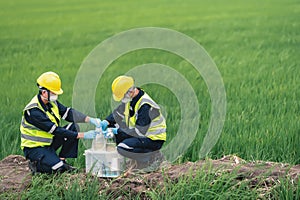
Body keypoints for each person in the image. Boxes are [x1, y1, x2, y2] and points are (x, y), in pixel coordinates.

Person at [20, 71, 101, 174]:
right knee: (58, 168)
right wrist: (83, 135)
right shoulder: (33, 111)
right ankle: (36, 165)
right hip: (35, 148)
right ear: (44, 92)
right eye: (54, 92)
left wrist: (90, 119)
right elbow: (56, 130)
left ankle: (62, 160)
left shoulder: (51, 103)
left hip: (49, 143)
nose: (56, 95)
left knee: (73, 127)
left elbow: (68, 113)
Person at [100, 75, 167, 171]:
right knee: (112, 125)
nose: (122, 99)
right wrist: (106, 122)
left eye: (123, 96)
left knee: (122, 148)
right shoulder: (130, 99)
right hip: (141, 135)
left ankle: (152, 158)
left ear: (130, 91)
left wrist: (117, 131)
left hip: (152, 139)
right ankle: (139, 159)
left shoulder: (145, 106)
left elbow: (139, 132)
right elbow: (118, 113)